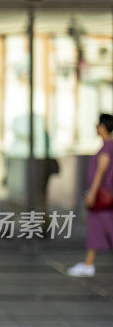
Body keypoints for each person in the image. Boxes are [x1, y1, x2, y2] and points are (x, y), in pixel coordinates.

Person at [67, 113, 113, 277]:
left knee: (108, 228)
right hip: (104, 197)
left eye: (98, 125)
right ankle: (88, 264)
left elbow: (101, 171)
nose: (96, 127)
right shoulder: (107, 146)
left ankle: (88, 265)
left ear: (102, 127)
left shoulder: (107, 147)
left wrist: (92, 193)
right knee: (95, 230)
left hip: (103, 197)